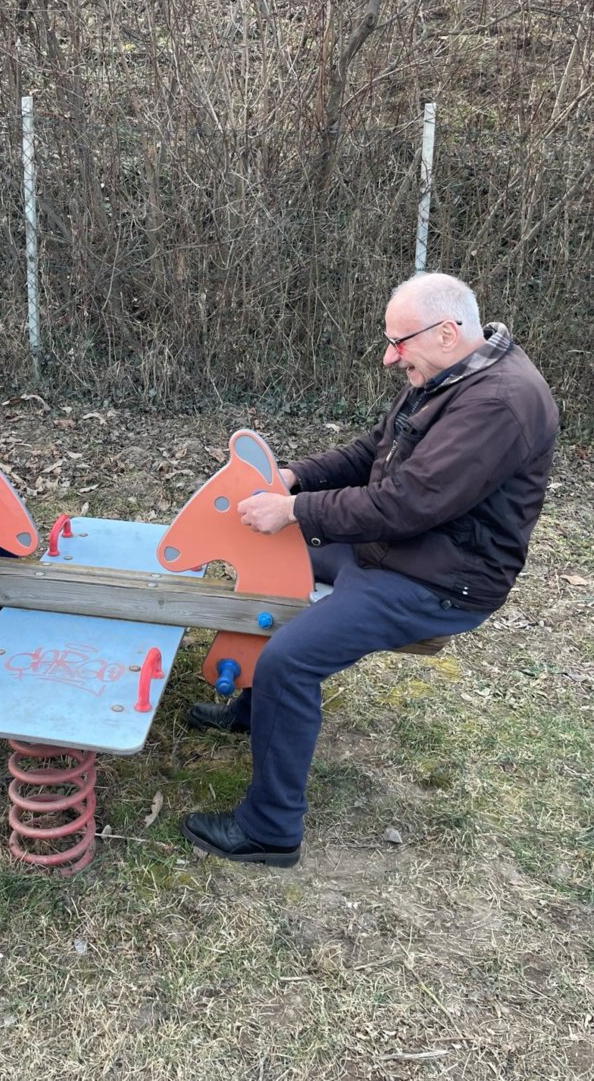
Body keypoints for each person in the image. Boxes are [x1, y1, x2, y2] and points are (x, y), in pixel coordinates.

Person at [181, 272, 558, 868]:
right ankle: (253, 709)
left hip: (438, 579)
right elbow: (372, 451)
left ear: (446, 332)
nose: (389, 357)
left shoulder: (498, 403)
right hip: (395, 549)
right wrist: (295, 477)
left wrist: (296, 511)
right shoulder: (451, 373)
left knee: (291, 660)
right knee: (268, 562)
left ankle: (270, 830)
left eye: (398, 342)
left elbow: (407, 503)